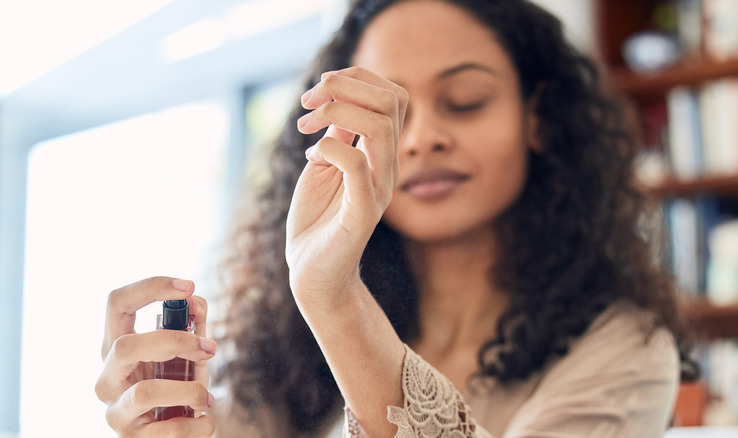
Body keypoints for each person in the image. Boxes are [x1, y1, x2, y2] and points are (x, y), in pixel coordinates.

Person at [95, 0, 699, 436]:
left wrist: (336, 302)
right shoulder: (288, 350)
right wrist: (166, 420)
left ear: (537, 118)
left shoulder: (622, 352)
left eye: (466, 102)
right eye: (392, 112)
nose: (423, 138)